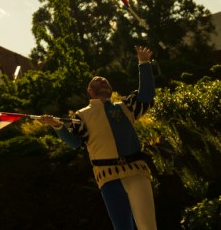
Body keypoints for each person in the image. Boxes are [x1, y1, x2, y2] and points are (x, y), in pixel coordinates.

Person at [39, 46, 157, 230]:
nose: (102, 81)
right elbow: (74, 142)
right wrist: (57, 126)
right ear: (89, 90)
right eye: (97, 81)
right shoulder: (81, 115)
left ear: (110, 89)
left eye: (105, 81)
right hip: (107, 177)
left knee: (148, 226)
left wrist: (144, 63)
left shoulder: (125, 107)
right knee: (122, 227)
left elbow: (147, 95)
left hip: (136, 172)